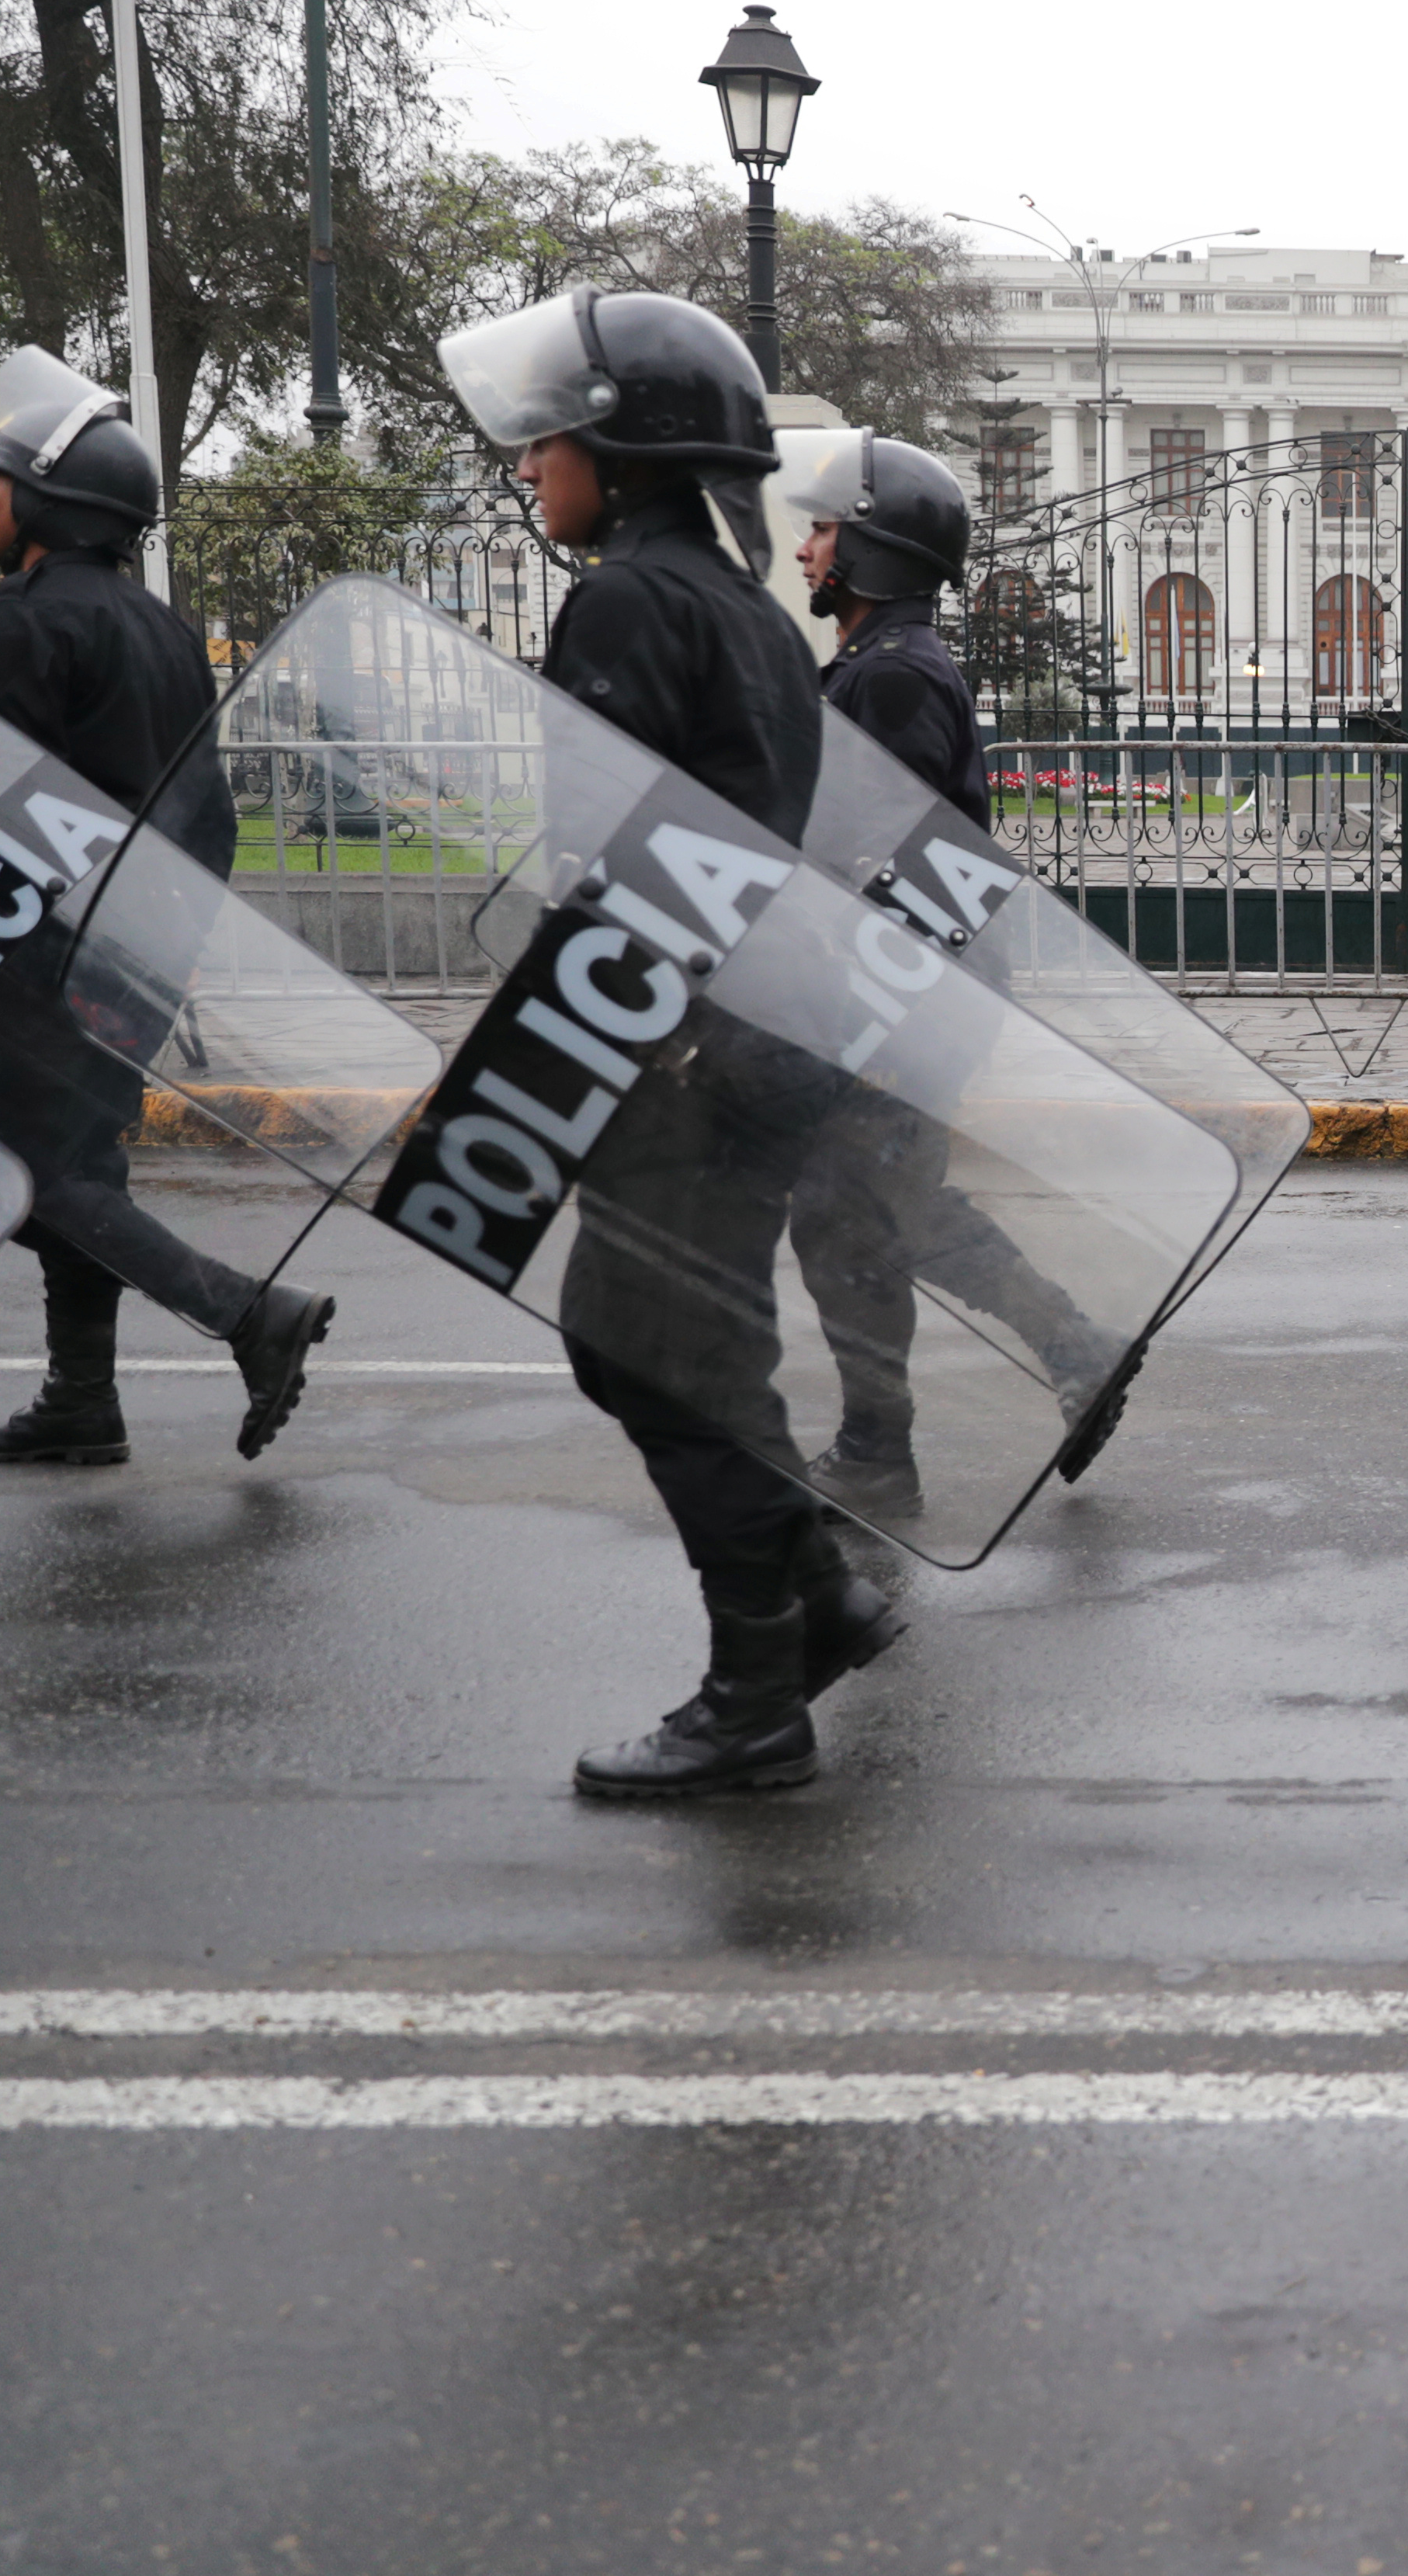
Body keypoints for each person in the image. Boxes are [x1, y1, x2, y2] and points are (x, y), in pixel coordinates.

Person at [432, 287, 895, 1796]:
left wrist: (559, 1067)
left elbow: (615, 860)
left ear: (619, 455)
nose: (529, 467)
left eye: (550, 442)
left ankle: (759, 1693)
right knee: (695, 1345)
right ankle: (807, 1604)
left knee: (655, 1348)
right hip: (761, 1041)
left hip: (685, 1046)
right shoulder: (750, 613)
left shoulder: (632, 603)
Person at [0, 353, 335, 1473]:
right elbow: (199, 805)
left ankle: (249, 1314)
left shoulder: (23, 628)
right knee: (79, 1166)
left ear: (50, 502)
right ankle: (81, 1401)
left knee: (24, 1170)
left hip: (43, 951)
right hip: (143, 945)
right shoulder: (164, 630)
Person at [775, 429, 1131, 1518]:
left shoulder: (894, 680)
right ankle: (1070, 1351)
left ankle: (886, 1450)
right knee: (883, 1210)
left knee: (853, 1214)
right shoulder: (878, 670)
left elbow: (898, 860)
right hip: (907, 999)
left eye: (824, 531)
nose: (804, 552)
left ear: (872, 551)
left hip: (906, 1002)